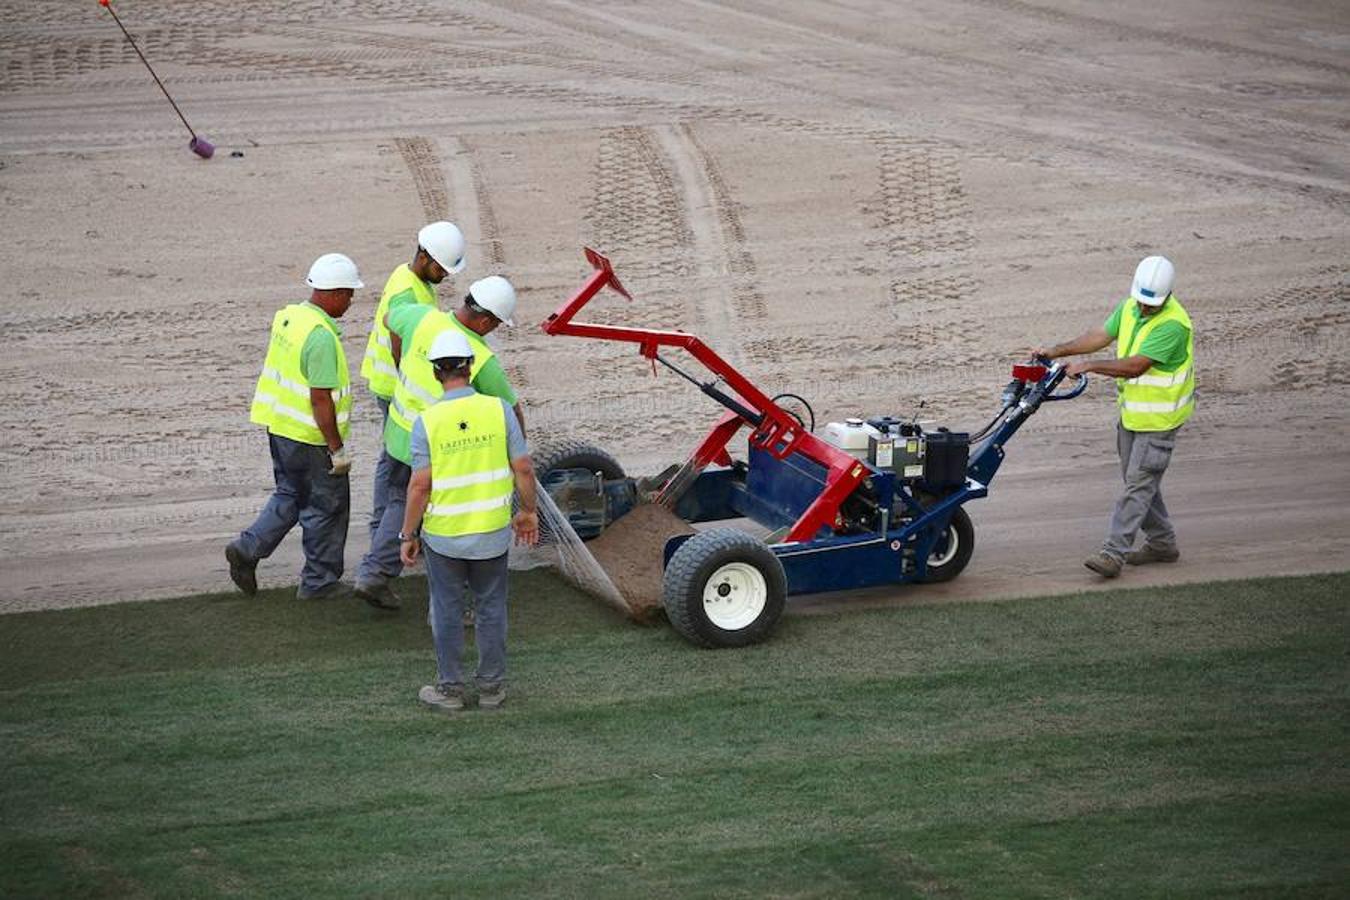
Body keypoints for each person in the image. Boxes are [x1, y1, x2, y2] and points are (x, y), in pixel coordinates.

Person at [353, 275, 523, 611]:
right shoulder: (478, 357)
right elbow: (510, 409)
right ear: (486, 320)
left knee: (398, 499)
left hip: (398, 430)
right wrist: (517, 451)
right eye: (497, 325)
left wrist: (404, 359)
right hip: (436, 444)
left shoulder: (421, 317)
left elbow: (390, 319)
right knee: (430, 511)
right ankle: (385, 573)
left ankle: (379, 566)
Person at [399, 328, 538, 712]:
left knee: (445, 609)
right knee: (491, 607)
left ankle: (450, 691)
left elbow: (419, 486)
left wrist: (407, 534)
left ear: (435, 373)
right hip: (492, 533)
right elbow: (523, 467)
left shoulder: (426, 422)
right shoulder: (499, 410)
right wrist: (527, 511)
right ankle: (492, 688)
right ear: (471, 367)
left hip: (444, 537)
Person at [1032, 255, 1194, 578]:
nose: (1144, 309)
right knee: (1140, 483)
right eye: (1142, 302)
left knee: (1137, 486)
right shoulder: (1131, 307)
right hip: (1132, 416)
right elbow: (1100, 336)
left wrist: (1090, 366)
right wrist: (1057, 351)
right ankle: (1163, 543)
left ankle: (1112, 553)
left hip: (1159, 423)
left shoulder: (1174, 325)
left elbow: (1136, 366)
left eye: (1152, 305)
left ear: (1167, 297)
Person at [226, 252, 364, 600]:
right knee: (326, 507)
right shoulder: (320, 337)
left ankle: (247, 548)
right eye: (349, 294)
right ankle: (319, 583)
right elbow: (321, 400)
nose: (351, 301)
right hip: (311, 437)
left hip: (281, 428)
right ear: (333, 294)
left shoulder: (290, 318)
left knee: (290, 494)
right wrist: (336, 448)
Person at [359, 221, 467, 549]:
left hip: (390, 383)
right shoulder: (408, 292)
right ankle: (390, 532)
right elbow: (398, 341)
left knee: (391, 457)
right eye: (441, 268)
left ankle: (384, 528)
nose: (445, 275)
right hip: (395, 388)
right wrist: (412, 376)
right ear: (423, 257)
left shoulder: (407, 277)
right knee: (399, 464)